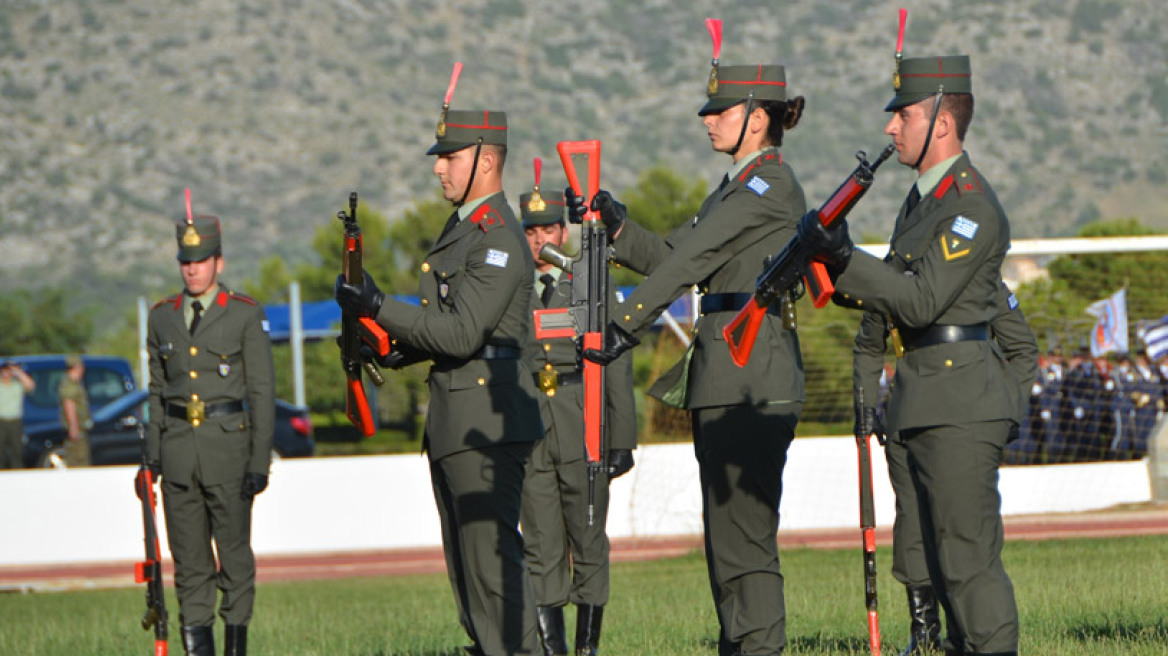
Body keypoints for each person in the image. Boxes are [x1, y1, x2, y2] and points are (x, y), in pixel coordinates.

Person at [574, 44, 809, 656]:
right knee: (725, 543)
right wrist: (619, 228)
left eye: (721, 109)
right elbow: (676, 256)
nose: (707, 119)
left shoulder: (769, 184)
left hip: (752, 374)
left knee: (745, 542)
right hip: (725, 373)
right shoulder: (732, 190)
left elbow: (692, 260)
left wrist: (623, 321)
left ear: (758, 117)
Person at [799, 50, 1032, 655]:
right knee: (935, 559)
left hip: (959, 402)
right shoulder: (922, 202)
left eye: (902, 114)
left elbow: (923, 300)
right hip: (923, 397)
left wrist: (847, 258)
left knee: (968, 562)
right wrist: (831, 264)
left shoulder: (971, 206)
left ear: (942, 122)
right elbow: (898, 294)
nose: (890, 126)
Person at [335, 85, 544, 656]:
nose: (440, 169)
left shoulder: (496, 237)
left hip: (487, 419)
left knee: (493, 569)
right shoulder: (461, 230)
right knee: (469, 576)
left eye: (450, 157)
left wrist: (378, 305)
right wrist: (381, 343)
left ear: (487, 158)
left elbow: (460, 332)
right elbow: (436, 326)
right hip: (458, 418)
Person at [855, 281, 1037, 655]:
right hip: (907, 413)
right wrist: (865, 407)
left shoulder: (977, 276)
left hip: (965, 416)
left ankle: (972, 631)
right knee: (912, 521)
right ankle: (924, 629)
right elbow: (868, 346)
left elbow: (1022, 347)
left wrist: (1007, 412)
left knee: (962, 529)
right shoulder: (893, 274)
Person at [517, 162, 638, 656]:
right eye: (530, 230)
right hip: (529, 425)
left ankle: (587, 649)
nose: (540, 237)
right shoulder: (506, 287)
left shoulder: (589, 281)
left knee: (589, 542)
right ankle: (555, 651)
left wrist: (621, 438)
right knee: (540, 546)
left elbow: (617, 365)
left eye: (548, 227)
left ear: (562, 231)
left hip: (582, 418)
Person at [146, 208, 275, 656]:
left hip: (230, 454)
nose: (192, 268)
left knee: (235, 562)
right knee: (190, 568)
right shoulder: (161, 317)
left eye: (201, 259)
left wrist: (260, 462)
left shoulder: (242, 314)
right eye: (185, 260)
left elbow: (262, 393)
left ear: (219, 262)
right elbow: (158, 392)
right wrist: (151, 457)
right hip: (180, 455)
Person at [0, 359, 36, 469]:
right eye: (4, 371)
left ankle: (17, 472)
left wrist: (18, 371)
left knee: (17, 450)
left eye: (9, 371)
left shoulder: (17, 386)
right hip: (1, 421)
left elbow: (31, 385)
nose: (6, 373)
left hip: (15, 422)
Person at [58, 354, 91, 467]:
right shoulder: (70, 385)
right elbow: (69, 406)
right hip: (76, 429)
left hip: (80, 427)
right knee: (77, 460)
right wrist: (74, 427)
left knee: (81, 458)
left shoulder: (75, 383)